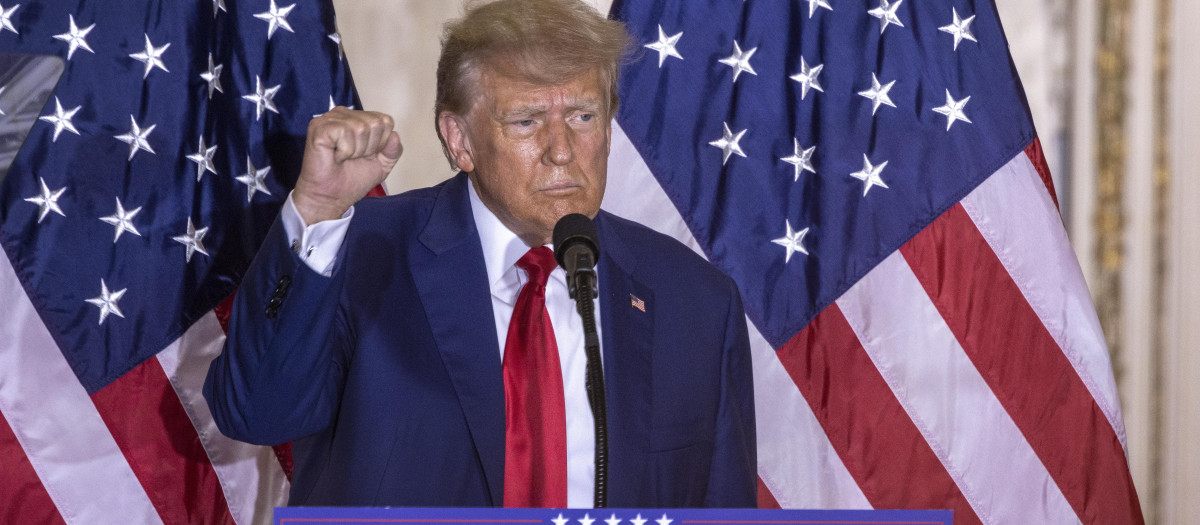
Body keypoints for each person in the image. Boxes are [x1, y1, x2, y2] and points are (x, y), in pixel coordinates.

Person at [204, 0, 755, 508]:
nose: (562, 150)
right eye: (526, 121)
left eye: (584, 116)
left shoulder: (696, 300)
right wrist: (319, 208)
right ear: (459, 140)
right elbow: (255, 412)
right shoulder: (361, 253)